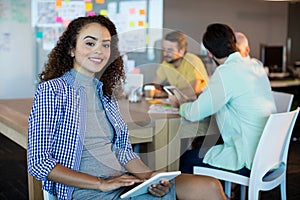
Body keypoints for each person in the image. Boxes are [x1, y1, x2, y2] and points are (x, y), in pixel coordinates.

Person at [27, 15, 227, 200]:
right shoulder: (52, 91)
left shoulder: (104, 93)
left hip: (123, 181)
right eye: (90, 43)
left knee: (209, 186)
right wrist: (101, 184)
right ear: (71, 49)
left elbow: (121, 150)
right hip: (88, 191)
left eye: (106, 45)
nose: (99, 50)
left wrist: (150, 178)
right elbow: (39, 162)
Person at [173, 23, 277, 175]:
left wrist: (180, 105)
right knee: (208, 148)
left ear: (209, 53)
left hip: (248, 158)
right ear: (234, 42)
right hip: (270, 156)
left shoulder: (226, 72)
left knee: (186, 160)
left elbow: (194, 113)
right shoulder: (255, 65)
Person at [152, 31, 209, 98]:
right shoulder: (166, 63)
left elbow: (193, 91)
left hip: (199, 103)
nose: (165, 54)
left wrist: (167, 94)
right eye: (164, 49)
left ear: (181, 50)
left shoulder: (192, 61)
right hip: (181, 103)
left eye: (170, 50)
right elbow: (154, 86)